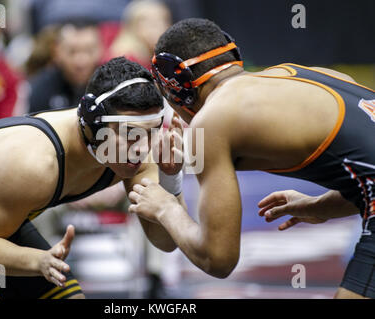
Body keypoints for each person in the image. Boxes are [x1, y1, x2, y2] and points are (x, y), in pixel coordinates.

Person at [128, 18, 375, 299]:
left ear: (176, 90)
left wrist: (165, 208)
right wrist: (319, 205)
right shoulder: (305, 74)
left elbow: (218, 259)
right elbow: (367, 172)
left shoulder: (212, 121)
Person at [0, 57, 185, 299]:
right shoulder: (34, 161)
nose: (141, 147)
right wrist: (37, 261)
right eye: (129, 133)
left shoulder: (136, 155)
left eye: (150, 132)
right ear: (94, 125)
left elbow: (166, 242)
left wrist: (171, 180)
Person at [27, 20, 103, 113]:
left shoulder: (110, 86)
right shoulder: (40, 88)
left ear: (101, 49)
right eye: (72, 51)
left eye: (89, 51)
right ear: (57, 51)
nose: (81, 61)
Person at [102, 0, 172, 69]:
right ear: (135, 26)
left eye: (164, 21)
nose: (161, 28)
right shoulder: (126, 61)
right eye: (153, 24)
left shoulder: (159, 55)